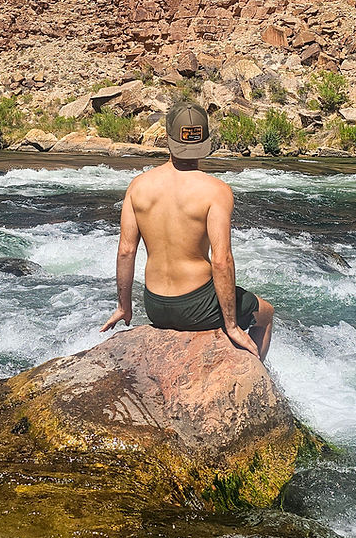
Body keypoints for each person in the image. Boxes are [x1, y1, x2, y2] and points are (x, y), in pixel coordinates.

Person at [101, 101, 274, 358]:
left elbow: (126, 251)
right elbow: (222, 260)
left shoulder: (137, 186)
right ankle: (257, 369)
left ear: (169, 139)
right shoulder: (216, 190)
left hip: (155, 306)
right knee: (267, 313)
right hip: (198, 306)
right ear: (204, 141)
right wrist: (232, 325)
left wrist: (124, 306)